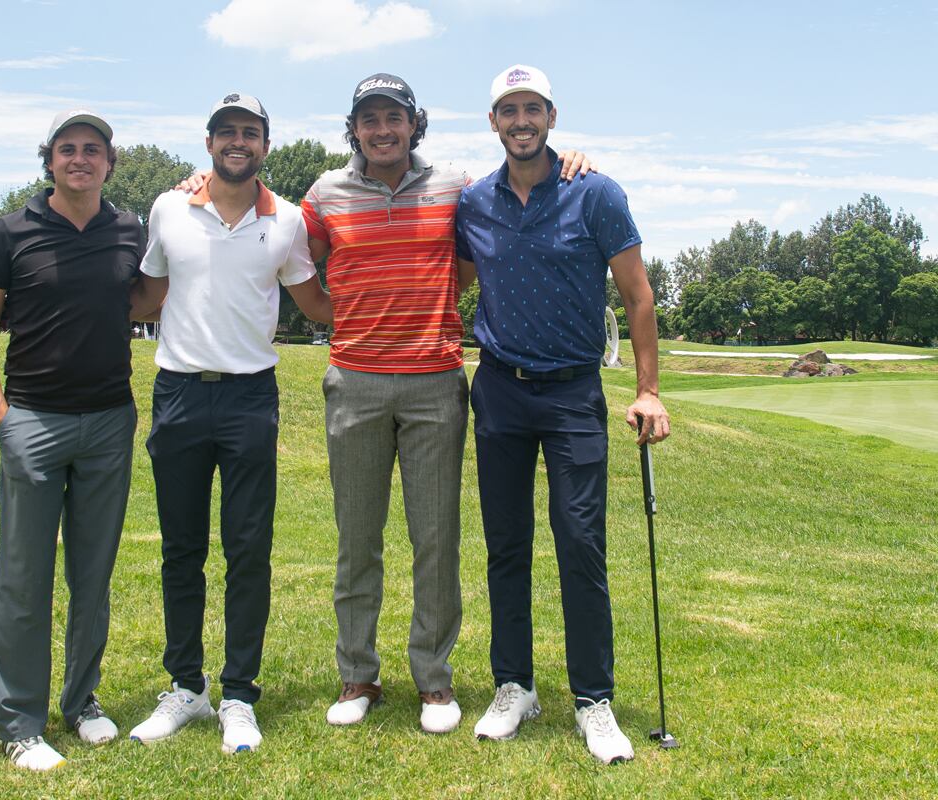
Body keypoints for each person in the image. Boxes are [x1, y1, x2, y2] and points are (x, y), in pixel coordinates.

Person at [299, 74, 592, 734]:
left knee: (435, 540)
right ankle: (358, 675)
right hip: (355, 382)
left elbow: (470, 253)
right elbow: (299, 266)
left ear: (413, 124)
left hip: (434, 382)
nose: (382, 129)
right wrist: (332, 319)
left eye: (394, 118)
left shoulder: (453, 185)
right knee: (357, 539)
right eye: (369, 119)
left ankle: (434, 681)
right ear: (355, 129)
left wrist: (577, 160)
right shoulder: (324, 193)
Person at [454, 65, 670, 762]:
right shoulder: (473, 202)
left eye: (532, 108)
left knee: (581, 542)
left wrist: (648, 389)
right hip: (500, 390)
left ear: (551, 116)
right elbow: (444, 272)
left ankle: (593, 699)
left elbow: (638, 296)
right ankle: (514, 685)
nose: (521, 120)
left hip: (574, 392)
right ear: (494, 122)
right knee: (506, 544)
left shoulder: (595, 192)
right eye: (508, 110)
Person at [126, 93, 331, 754]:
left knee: (248, 550)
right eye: (226, 133)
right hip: (179, 394)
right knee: (181, 549)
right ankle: (186, 687)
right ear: (208, 142)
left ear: (265, 145)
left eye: (250, 133)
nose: (237, 142)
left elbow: (315, 305)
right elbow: (148, 294)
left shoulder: (290, 221)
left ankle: (239, 693)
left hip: (250, 400)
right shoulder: (167, 207)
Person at [0, 110, 144, 771]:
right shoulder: (12, 232)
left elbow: (149, 296)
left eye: (92, 150)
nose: (80, 159)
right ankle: (17, 723)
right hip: (33, 421)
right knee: (23, 579)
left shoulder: (130, 229)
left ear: (108, 163)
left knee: (92, 577)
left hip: (108, 422)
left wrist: (197, 198)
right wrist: (3, 417)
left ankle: (83, 702)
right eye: (67, 149)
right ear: (50, 161)